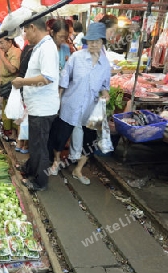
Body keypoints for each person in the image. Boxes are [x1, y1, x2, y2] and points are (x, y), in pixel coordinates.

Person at [48, 23, 110, 184]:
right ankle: (56, 162)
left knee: (89, 143)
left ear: (103, 42)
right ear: (86, 42)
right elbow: (63, 81)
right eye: (91, 41)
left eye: (97, 41)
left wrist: (106, 95)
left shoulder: (105, 65)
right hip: (70, 106)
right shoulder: (76, 58)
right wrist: (57, 102)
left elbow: (105, 87)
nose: (94, 44)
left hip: (91, 109)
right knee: (60, 138)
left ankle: (78, 170)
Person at [12, 16, 59, 192]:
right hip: (37, 106)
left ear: (33, 27)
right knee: (35, 142)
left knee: (39, 146)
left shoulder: (47, 48)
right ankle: (30, 169)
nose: (25, 35)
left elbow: (47, 78)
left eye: (25, 31)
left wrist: (22, 82)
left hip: (43, 107)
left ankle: (40, 182)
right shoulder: (40, 47)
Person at [69, 15, 117, 163]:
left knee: (87, 132)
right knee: (81, 131)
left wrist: (105, 93)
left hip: (92, 103)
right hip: (79, 101)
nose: (113, 34)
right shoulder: (81, 55)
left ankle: (80, 162)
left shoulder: (103, 57)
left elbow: (104, 84)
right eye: (112, 31)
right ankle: (77, 160)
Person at [0, 37, 21, 139]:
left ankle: (14, 134)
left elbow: (12, 69)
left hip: (12, 86)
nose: (0, 46)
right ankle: (9, 133)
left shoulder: (16, 52)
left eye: (2, 43)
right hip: (4, 84)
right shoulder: (4, 51)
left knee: (13, 110)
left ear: (10, 42)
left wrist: (2, 57)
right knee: (6, 109)